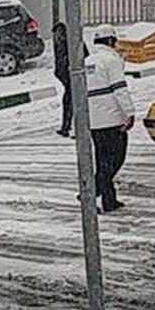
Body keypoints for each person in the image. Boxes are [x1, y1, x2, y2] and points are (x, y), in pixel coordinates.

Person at [85, 24, 135, 213]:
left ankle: (108, 199)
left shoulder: (87, 62)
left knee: (102, 159)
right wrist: (129, 112)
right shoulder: (111, 60)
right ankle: (93, 190)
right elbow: (119, 89)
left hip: (93, 121)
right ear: (111, 41)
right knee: (117, 158)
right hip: (111, 119)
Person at [52, 22, 85, 138]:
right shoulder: (59, 44)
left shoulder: (72, 43)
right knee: (69, 103)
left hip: (75, 79)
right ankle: (66, 127)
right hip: (68, 79)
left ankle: (77, 129)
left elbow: (85, 57)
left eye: (58, 34)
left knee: (76, 105)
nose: (56, 37)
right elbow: (59, 63)